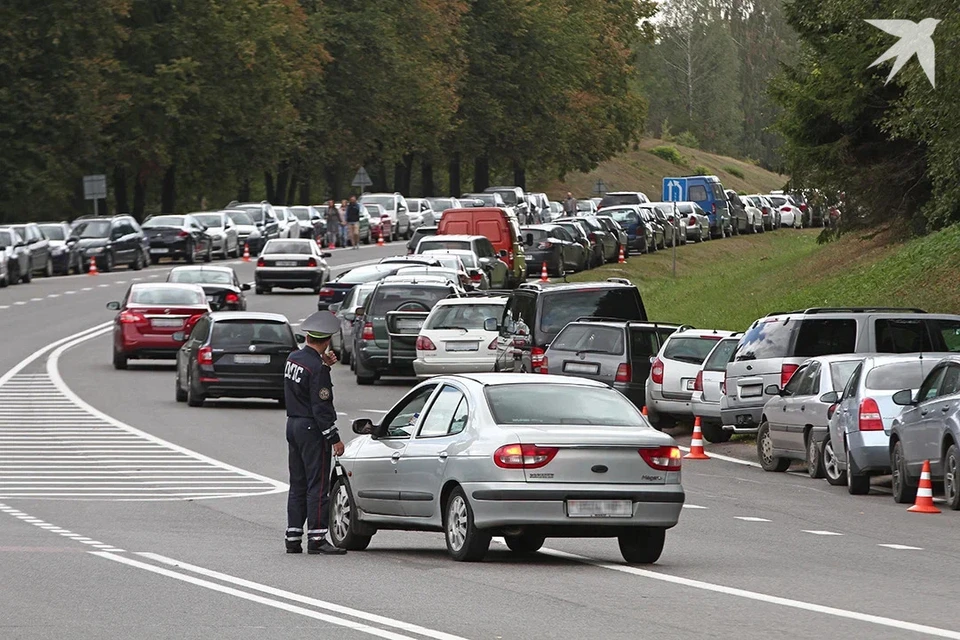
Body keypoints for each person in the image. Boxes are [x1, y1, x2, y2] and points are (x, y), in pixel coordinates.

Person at [283, 311, 347, 555]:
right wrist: (335, 438)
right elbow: (321, 407)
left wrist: (324, 366)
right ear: (327, 340)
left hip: (293, 424)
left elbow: (302, 387)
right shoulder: (317, 368)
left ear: (308, 335)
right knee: (318, 485)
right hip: (312, 429)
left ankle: (293, 536)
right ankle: (317, 538)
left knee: (297, 483)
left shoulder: (294, 358)